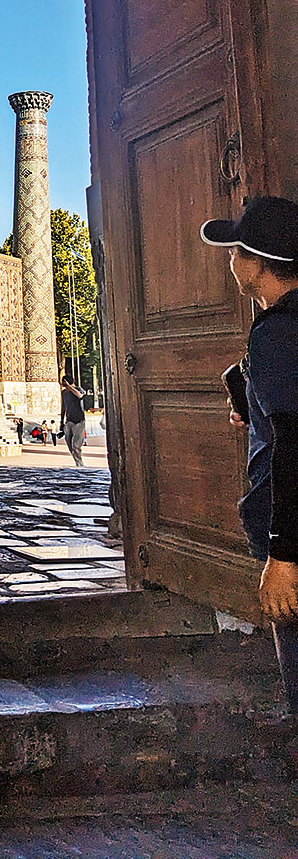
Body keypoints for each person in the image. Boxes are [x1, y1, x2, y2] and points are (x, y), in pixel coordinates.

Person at [201, 195, 298, 712]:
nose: (230, 261)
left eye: (236, 250)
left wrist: (283, 556)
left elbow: (293, 445)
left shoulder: (277, 333)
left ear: (257, 263)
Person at [61, 374, 86, 466]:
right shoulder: (64, 393)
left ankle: (79, 464)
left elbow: (80, 396)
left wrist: (70, 387)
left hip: (79, 421)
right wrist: (61, 421)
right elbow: (63, 406)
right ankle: (77, 460)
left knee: (76, 445)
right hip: (69, 420)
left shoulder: (79, 389)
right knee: (69, 442)